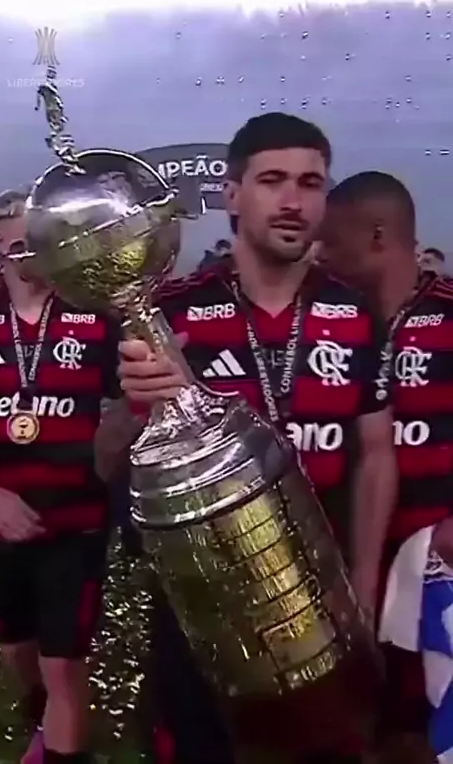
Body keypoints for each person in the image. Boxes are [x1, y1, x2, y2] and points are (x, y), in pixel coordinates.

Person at [96, 113, 397, 764]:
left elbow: (376, 455)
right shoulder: (168, 314)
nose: (292, 201)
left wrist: (365, 581)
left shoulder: (355, 313)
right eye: (272, 180)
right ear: (232, 194)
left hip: (322, 599)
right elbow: (106, 460)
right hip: (206, 607)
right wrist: (129, 410)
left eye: (310, 183)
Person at [0, 189, 121, 764]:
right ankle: (43, 716)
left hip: (76, 524)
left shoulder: (96, 321)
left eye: (40, 237)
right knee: (18, 651)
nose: (30, 250)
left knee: (64, 664)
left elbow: (130, 407)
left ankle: (60, 740)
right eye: (17, 240)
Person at [321, 170, 453, 762]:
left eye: (331, 239)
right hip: (358, 570)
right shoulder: (334, 327)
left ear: (377, 235)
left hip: (440, 571)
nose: (320, 253)